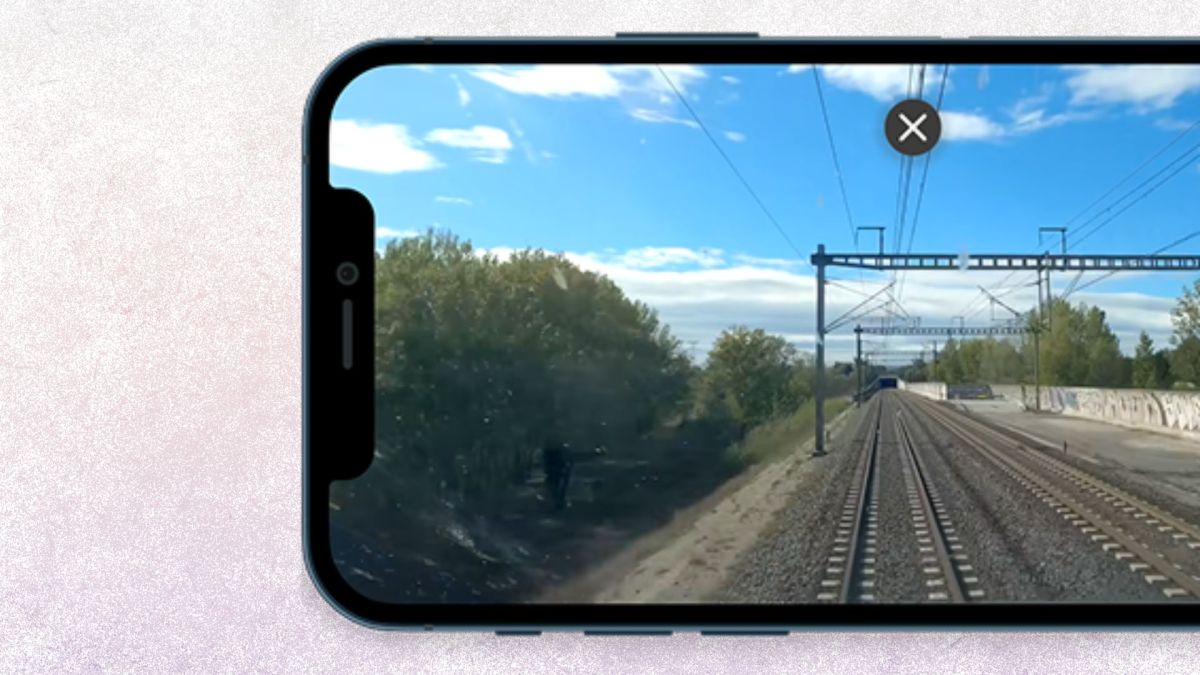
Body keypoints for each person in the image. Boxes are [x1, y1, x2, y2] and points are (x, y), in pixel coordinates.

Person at [542, 439, 574, 511]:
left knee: (558, 487)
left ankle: (557, 502)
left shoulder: (555, 451)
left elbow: (568, 461)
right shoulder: (553, 451)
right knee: (556, 487)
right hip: (557, 471)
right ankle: (556, 502)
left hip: (558, 471)